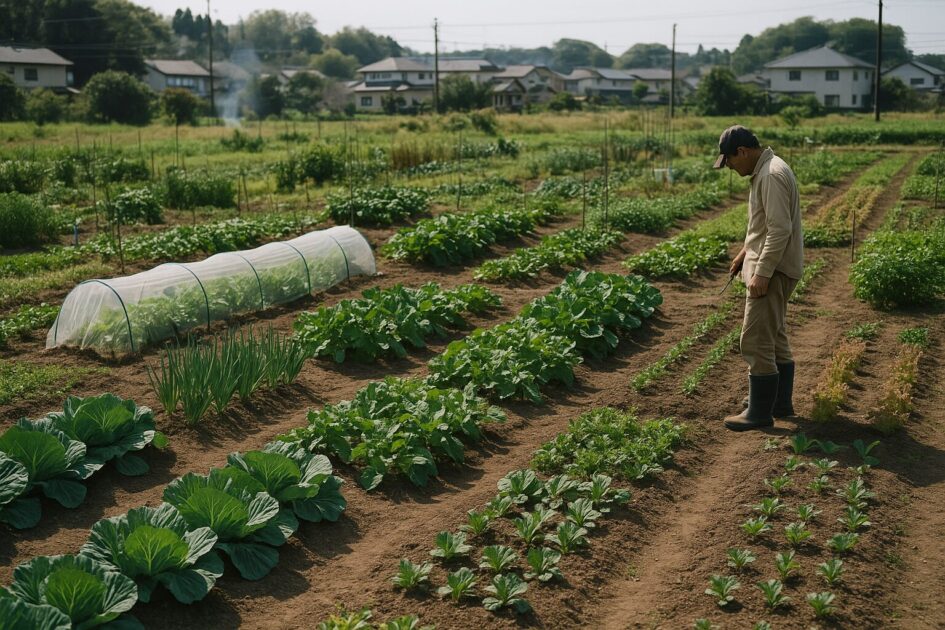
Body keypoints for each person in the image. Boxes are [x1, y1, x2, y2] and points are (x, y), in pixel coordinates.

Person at [713, 125, 804, 431]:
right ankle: (778, 403)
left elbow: (780, 230)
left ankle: (760, 413)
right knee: (774, 336)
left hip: (774, 270)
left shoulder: (771, 175)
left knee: (754, 339)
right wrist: (744, 254)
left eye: (729, 160)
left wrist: (762, 271)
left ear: (742, 151)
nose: (728, 167)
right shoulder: (768, 169)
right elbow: (765, 226)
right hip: (773, 265)